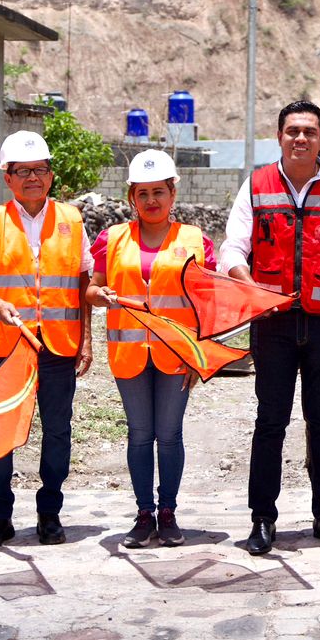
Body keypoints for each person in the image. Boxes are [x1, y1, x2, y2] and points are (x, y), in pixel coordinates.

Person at [219, 100, 320, 555]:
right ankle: (262, 519)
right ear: (280, 136)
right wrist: (250, 288)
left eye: (310, 132)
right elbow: (233, 250)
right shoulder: (256, 186)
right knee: (270, 422)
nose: (301, 139)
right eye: (293, 131)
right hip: (273, 326)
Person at [0, 130, 93, 550]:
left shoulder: (73, 220)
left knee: (57, 431)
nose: (32, 178)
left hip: (59, 345)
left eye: (40, 169)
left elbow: (82, 282)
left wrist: (87, 340)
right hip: (7, 346)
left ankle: (49, 514)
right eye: (23, 171)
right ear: (8, 178)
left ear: (51, 175)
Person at [85, 149, 217, 549]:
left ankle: (168, 513)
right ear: (131, 198)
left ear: (173, 194)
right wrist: (101, 295)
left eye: (159, 192)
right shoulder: (113, 238)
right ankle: (144, 514)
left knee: (170, 433)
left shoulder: (195, 240)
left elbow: (209, 301)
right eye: (143, 194)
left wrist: (202, 353)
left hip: (176, 354)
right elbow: (90, 290)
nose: (151, 201)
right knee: (140, 434)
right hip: (129, 353)